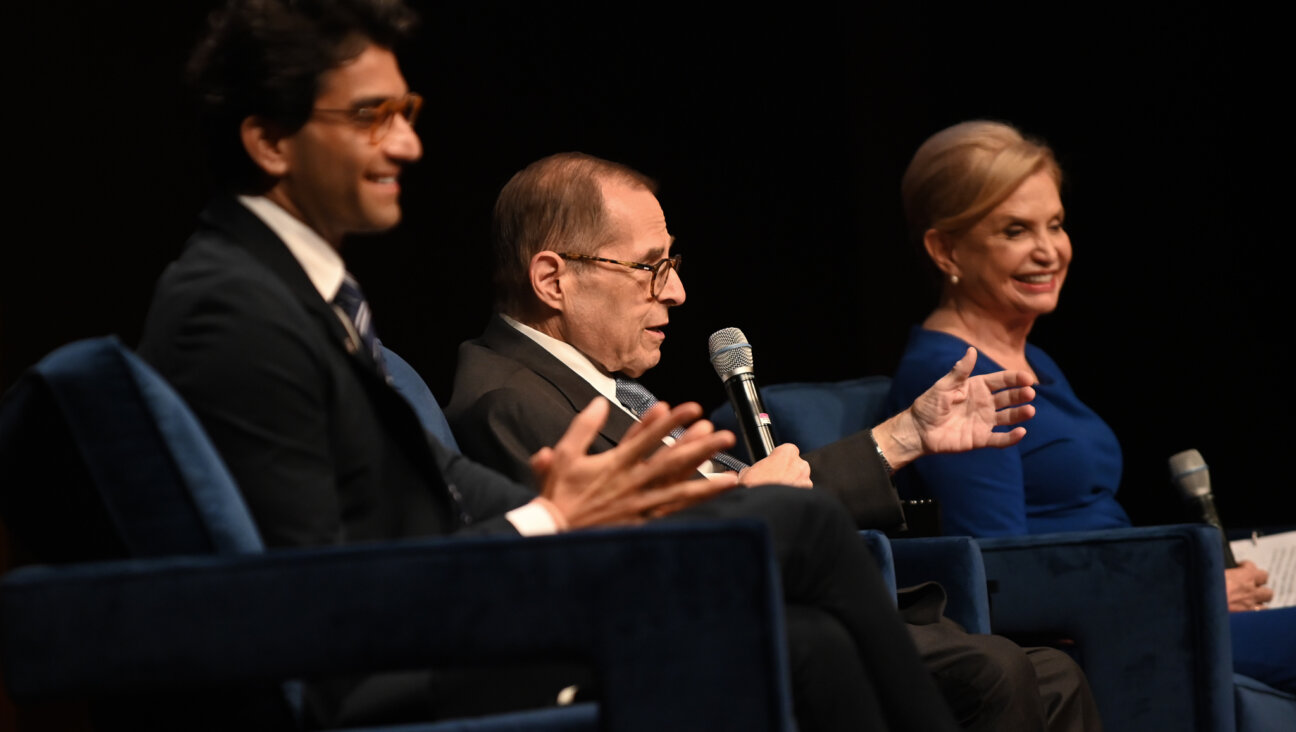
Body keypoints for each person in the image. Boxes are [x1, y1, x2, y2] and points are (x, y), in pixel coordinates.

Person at [136, 1, 972, 729]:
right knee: (809, 528)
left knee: (811, 640)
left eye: (406, 110)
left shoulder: (296, 289)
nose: (408, 145)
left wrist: (592, 505)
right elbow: (308, 591)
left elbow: (437, 486)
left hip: (450, 616)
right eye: (369, 116)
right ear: (270, 140)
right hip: (395, 674)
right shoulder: (229, 309)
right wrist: (549, 523)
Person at [446, 151, 1102, 732]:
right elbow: (612, 569)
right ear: (552, 279)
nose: (675, 292)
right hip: (729, 641)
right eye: (649, 267)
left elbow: (769, 500)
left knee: (1055, 677)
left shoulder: (587, 383)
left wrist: (905, 436)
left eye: (670, 263)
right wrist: (737, 509)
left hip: (796, 603)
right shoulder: (509, 399)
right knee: (993, 671)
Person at [884, 119, 1291, 692]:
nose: (1049, 251)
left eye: (1055, 225)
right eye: (1015, 231)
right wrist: (1190, 590)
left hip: (1144, 608)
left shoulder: (1033, 358)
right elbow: (1002, 577)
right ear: (945, 248)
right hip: (1108, 635)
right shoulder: (955, 375)